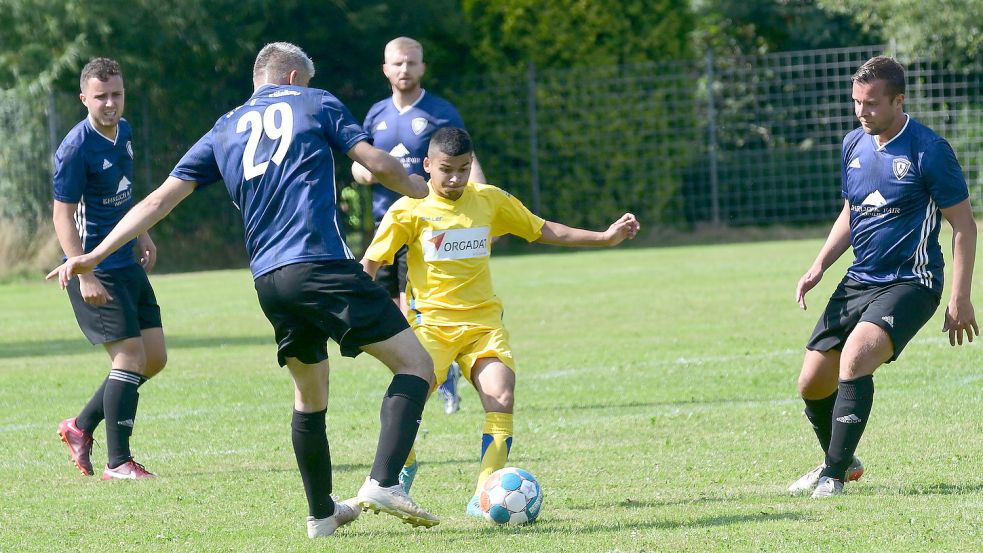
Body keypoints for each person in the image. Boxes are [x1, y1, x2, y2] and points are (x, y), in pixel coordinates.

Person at [48, 42, 439, 539]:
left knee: (309, 395)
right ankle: (384, 481)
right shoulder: (315, 101)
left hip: (269, 281)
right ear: (295, 77)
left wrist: (93, 254)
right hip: (320, 263)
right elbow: (378, 164)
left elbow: (158, 200)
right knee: (417, 366)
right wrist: (422, 191)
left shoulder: (224, 127)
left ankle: (321, 514)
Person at [360, 127, 640, 516]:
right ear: (427, 166)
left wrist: (605, 237)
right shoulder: (409, 209)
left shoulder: (490, 201)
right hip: (432, 327)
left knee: (501, 394)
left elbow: (544, 229)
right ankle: (402, 468)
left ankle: (484, 494)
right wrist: (352, 313)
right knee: (407, 402)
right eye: (446, 170)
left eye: (463, 168)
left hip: (484, 326)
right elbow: (371, 264)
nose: (456, 178)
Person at [789, 56, 977, 498]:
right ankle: (844, 460)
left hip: (911, 281)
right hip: (860, 279)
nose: (862, 112)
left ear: (898, 100)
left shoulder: (929, 150)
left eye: (871, 103)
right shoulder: (853, 143)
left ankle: (832, 476)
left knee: (855, 359)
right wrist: (819, 264)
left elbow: (964, 225)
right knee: (813, 382)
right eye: (857, 102)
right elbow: (852, 211)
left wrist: (961, 296)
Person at [353, 36, 487, 417]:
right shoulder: (376, 114)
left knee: (416, 309)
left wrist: (483, 198)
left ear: (423, 67)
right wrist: (364, 174)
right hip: (386, 225)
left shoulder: (440, 111)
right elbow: (358, 162)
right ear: (385, 68)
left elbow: (466, 159)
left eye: (411, 63)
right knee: (393, 311)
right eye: (397, 63)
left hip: (429, 227)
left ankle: (433, 377)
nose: (404, 70)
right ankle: (424, 373)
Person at [52, 58, 166, 481]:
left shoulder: (126, 131)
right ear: (84, 98)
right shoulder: (76, 147)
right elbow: (62, 216)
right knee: (130, 357)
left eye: (116, 94)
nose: (110, 103)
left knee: (153, 358)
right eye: (100, 96)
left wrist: (143, 234)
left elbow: (127, 194)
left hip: (126, 262)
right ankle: (118, 462)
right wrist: (84, 272)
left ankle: (79, 426)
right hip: (96, 268)